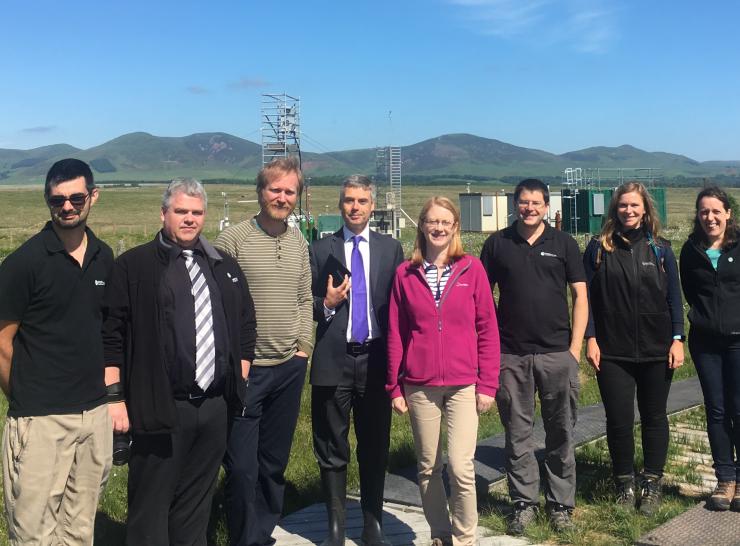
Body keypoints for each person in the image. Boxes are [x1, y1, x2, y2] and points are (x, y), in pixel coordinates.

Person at [102, 178, 257, 545]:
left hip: (214, 406)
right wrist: (115, 399)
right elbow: (111, 335)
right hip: (159, 405)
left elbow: (246, 324)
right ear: (163, 213)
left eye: (197, 212)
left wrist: (239, 378)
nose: (189, 219)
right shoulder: (134, 266)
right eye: (181, 211)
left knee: (195, 505)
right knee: (150, 507)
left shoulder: (222, 265)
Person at [0, 158, 114, 545]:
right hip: (41, 419)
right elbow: (2, 343)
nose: (67, 206)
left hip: (93, 416)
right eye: (57, 200)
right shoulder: (22, 264)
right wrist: (26, 396)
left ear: (93, 197)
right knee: (33, 532)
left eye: (76, 198)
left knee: (80, 529)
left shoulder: (104, 257)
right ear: (47, 202)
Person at [387, 196, 500, 546]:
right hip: (420, 386)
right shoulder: (405, 273)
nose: (438, 228)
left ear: (454, 228)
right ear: (421, 225)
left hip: (464, 384)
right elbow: (396, 332)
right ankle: (439, 533)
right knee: (427, 468)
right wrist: (394, 386)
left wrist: (488, 384)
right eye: (432, 221)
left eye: (445, 222)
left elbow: (487, 327)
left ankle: (465, 538)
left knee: (462, 468)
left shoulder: (471, 269)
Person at [215, 156, 314, 546]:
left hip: (288, 367)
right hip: (246, 370)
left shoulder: (298, 243)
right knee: (241, 467)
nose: (282, 197)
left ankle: (262, 531)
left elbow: (305, 299)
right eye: (275, 189)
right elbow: (216, 305)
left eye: (290, 191)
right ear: (261, 192)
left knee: (273, 464)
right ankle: (242, 536)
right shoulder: (233, 240)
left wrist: (303, 348)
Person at [480, 178, 587, 534]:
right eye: (523, 202)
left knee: (561, 432)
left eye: (536, 203)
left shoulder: (564, 243)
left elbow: (580, 296)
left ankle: (560, 505)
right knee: (517, 434)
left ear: (546, 205)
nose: (529, 208)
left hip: (558, 353)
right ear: (515, 204)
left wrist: (575, 349)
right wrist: (491, 348)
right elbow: (483, 298)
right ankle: (524, 503)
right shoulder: (497, 244)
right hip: (511, 355)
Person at [309, 175, 404, 546]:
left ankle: (372, 523)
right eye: (349, 200)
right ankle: (335, 525)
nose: (355, 207)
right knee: (331, 445)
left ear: (372, 206)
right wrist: (327, 305)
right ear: (340, 204)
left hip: (376, 360)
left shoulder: (389, 249)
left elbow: (400, 305)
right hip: (334, 359)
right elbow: (308, 307)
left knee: (374, 444)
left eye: (362, 201)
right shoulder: (320, 250)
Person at [583, 181, 684, 515]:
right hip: (612, 351)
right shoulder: (599, 248)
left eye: (634, 205)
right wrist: (591, 337)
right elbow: (586, 301)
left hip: (657, 349)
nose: (628, 210)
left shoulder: (661, 249)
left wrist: (677, 339)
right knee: (619, 419)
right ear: (615, 208)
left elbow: (674, 299)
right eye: (623, 205)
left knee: (655, 417)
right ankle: (624, 483)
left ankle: (652, 483)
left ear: (645, 209)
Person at [680, 186, 740, 511]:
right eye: (704, 211)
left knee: (739, 408)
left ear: (728, 213)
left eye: (716, 211)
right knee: (716, 411)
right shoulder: (691, 250)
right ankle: (725, 479)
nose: (710, 217)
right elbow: (690, 292)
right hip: (705, 343)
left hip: (738, 340)